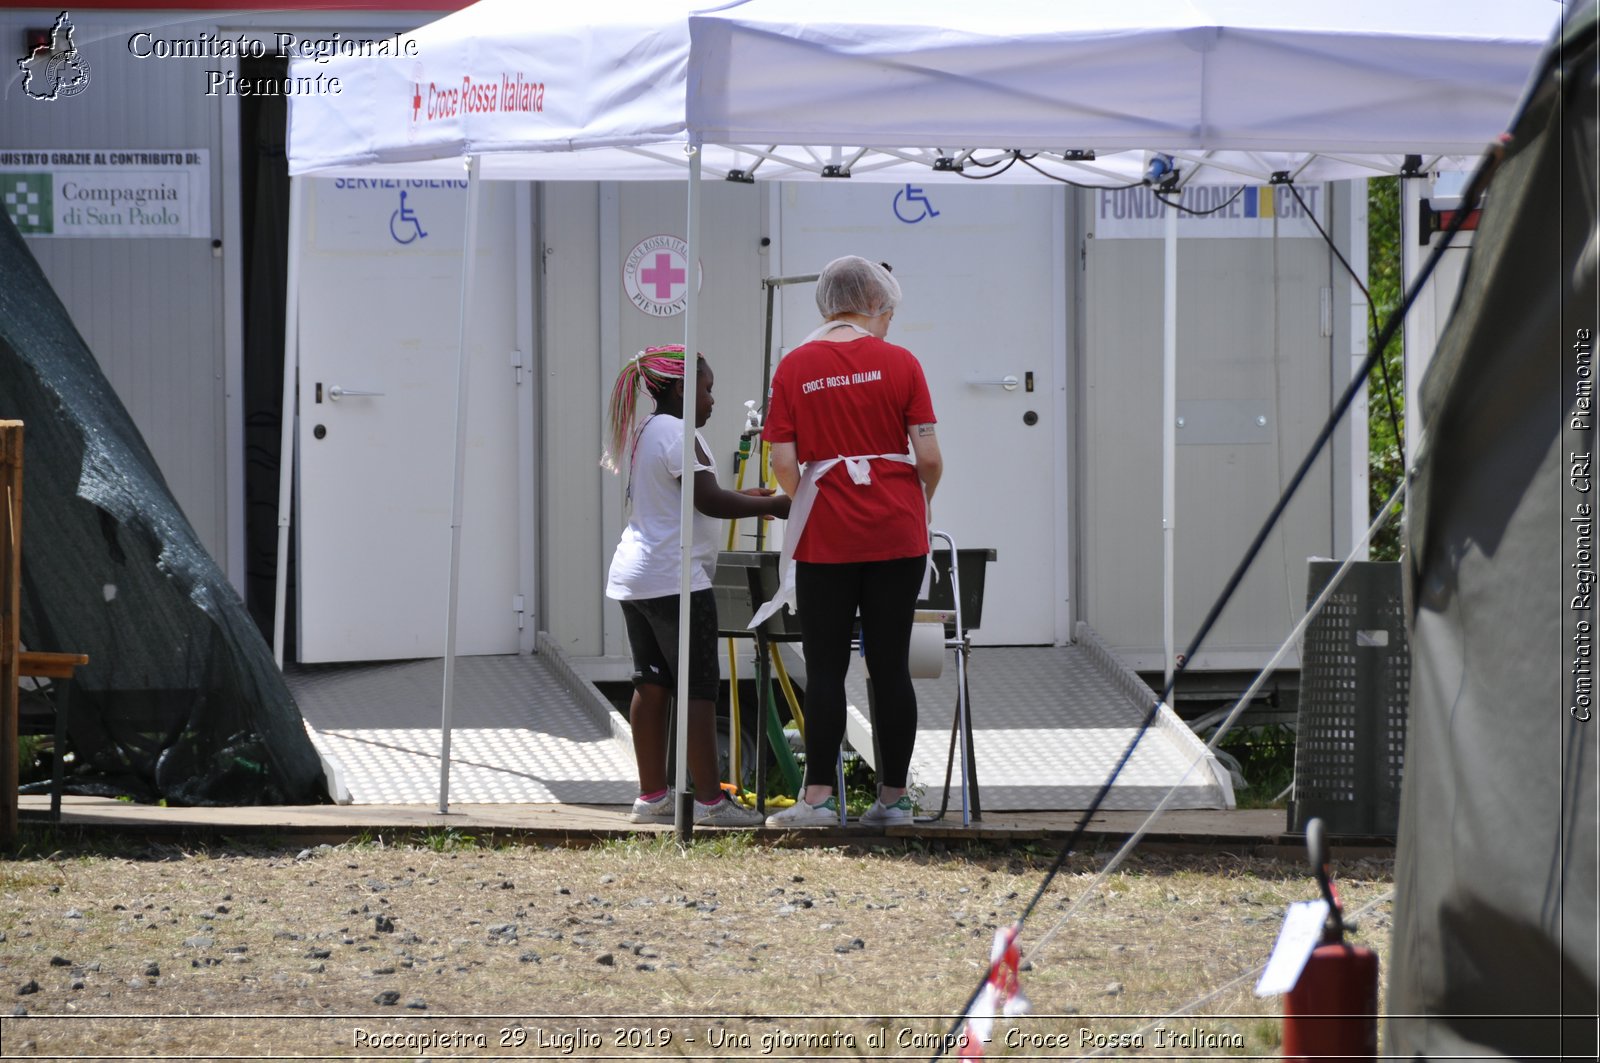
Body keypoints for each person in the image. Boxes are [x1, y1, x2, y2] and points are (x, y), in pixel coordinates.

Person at [756, 256, 942, 828]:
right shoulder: (901, 362)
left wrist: (814, 495)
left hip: (825, 537)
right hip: (896, 532)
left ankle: (817, 801)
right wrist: (915, 502)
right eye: (888, 313)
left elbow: (783, 462)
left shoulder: (794, 366)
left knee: (827, 664)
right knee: (890, 667)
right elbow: (929, 458)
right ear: (876, 306)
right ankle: (892, 801)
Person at [603, 344, 790, 827]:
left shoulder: (644, 429)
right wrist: (778, 505)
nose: (712, 401)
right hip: (676, 579)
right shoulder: (681, 432)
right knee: (699, 686)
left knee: (651, 681)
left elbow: (684, 497)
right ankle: (711, 802)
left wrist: (744, 497)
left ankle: (651, 798)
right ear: (684, 388)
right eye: (708, 389)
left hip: (635, 577)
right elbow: (708, 501)